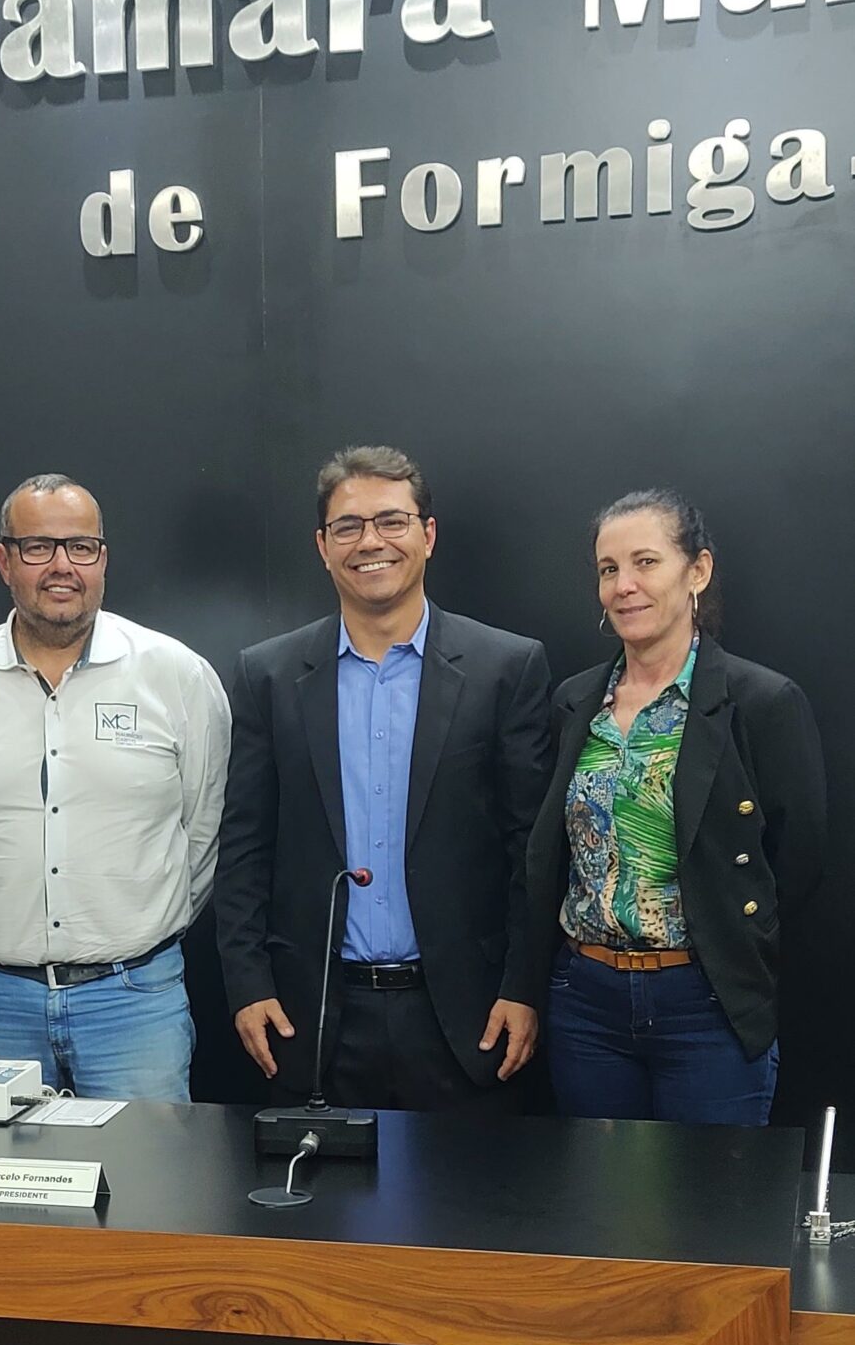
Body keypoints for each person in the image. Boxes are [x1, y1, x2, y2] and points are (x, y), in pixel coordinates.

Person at [215, 445, 551, 1110]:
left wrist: (524, 986)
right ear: (322, 545)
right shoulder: (270, 676)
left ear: (428, 535)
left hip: (466, 1018)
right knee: (321, 1214)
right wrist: (248, 984)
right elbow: (245, 846)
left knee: (468, 1212)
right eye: (349, 526)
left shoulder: (505, 669)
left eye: (392, 521)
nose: (371, 541)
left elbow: (531, 852)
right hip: (312, 1019)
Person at [0, 474, 231, 1100]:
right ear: (3, 560)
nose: (62, 567)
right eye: (37, 547)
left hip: (136, 1002)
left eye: (81, 547)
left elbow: (203, 830)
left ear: (102, 558)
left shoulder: (177, 677)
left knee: (148, 1192)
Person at [527, 489, 826, 1125]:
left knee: (710, 1212)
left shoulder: (763, 702)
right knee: (599, 1215)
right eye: (609, 569)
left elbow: (797, 865)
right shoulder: (575, 703)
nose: (624, 586)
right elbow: (548, 856)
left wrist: (734, 956)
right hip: (586, 1005)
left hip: (707, 1002)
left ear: (698, 572)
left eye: (645, 562)